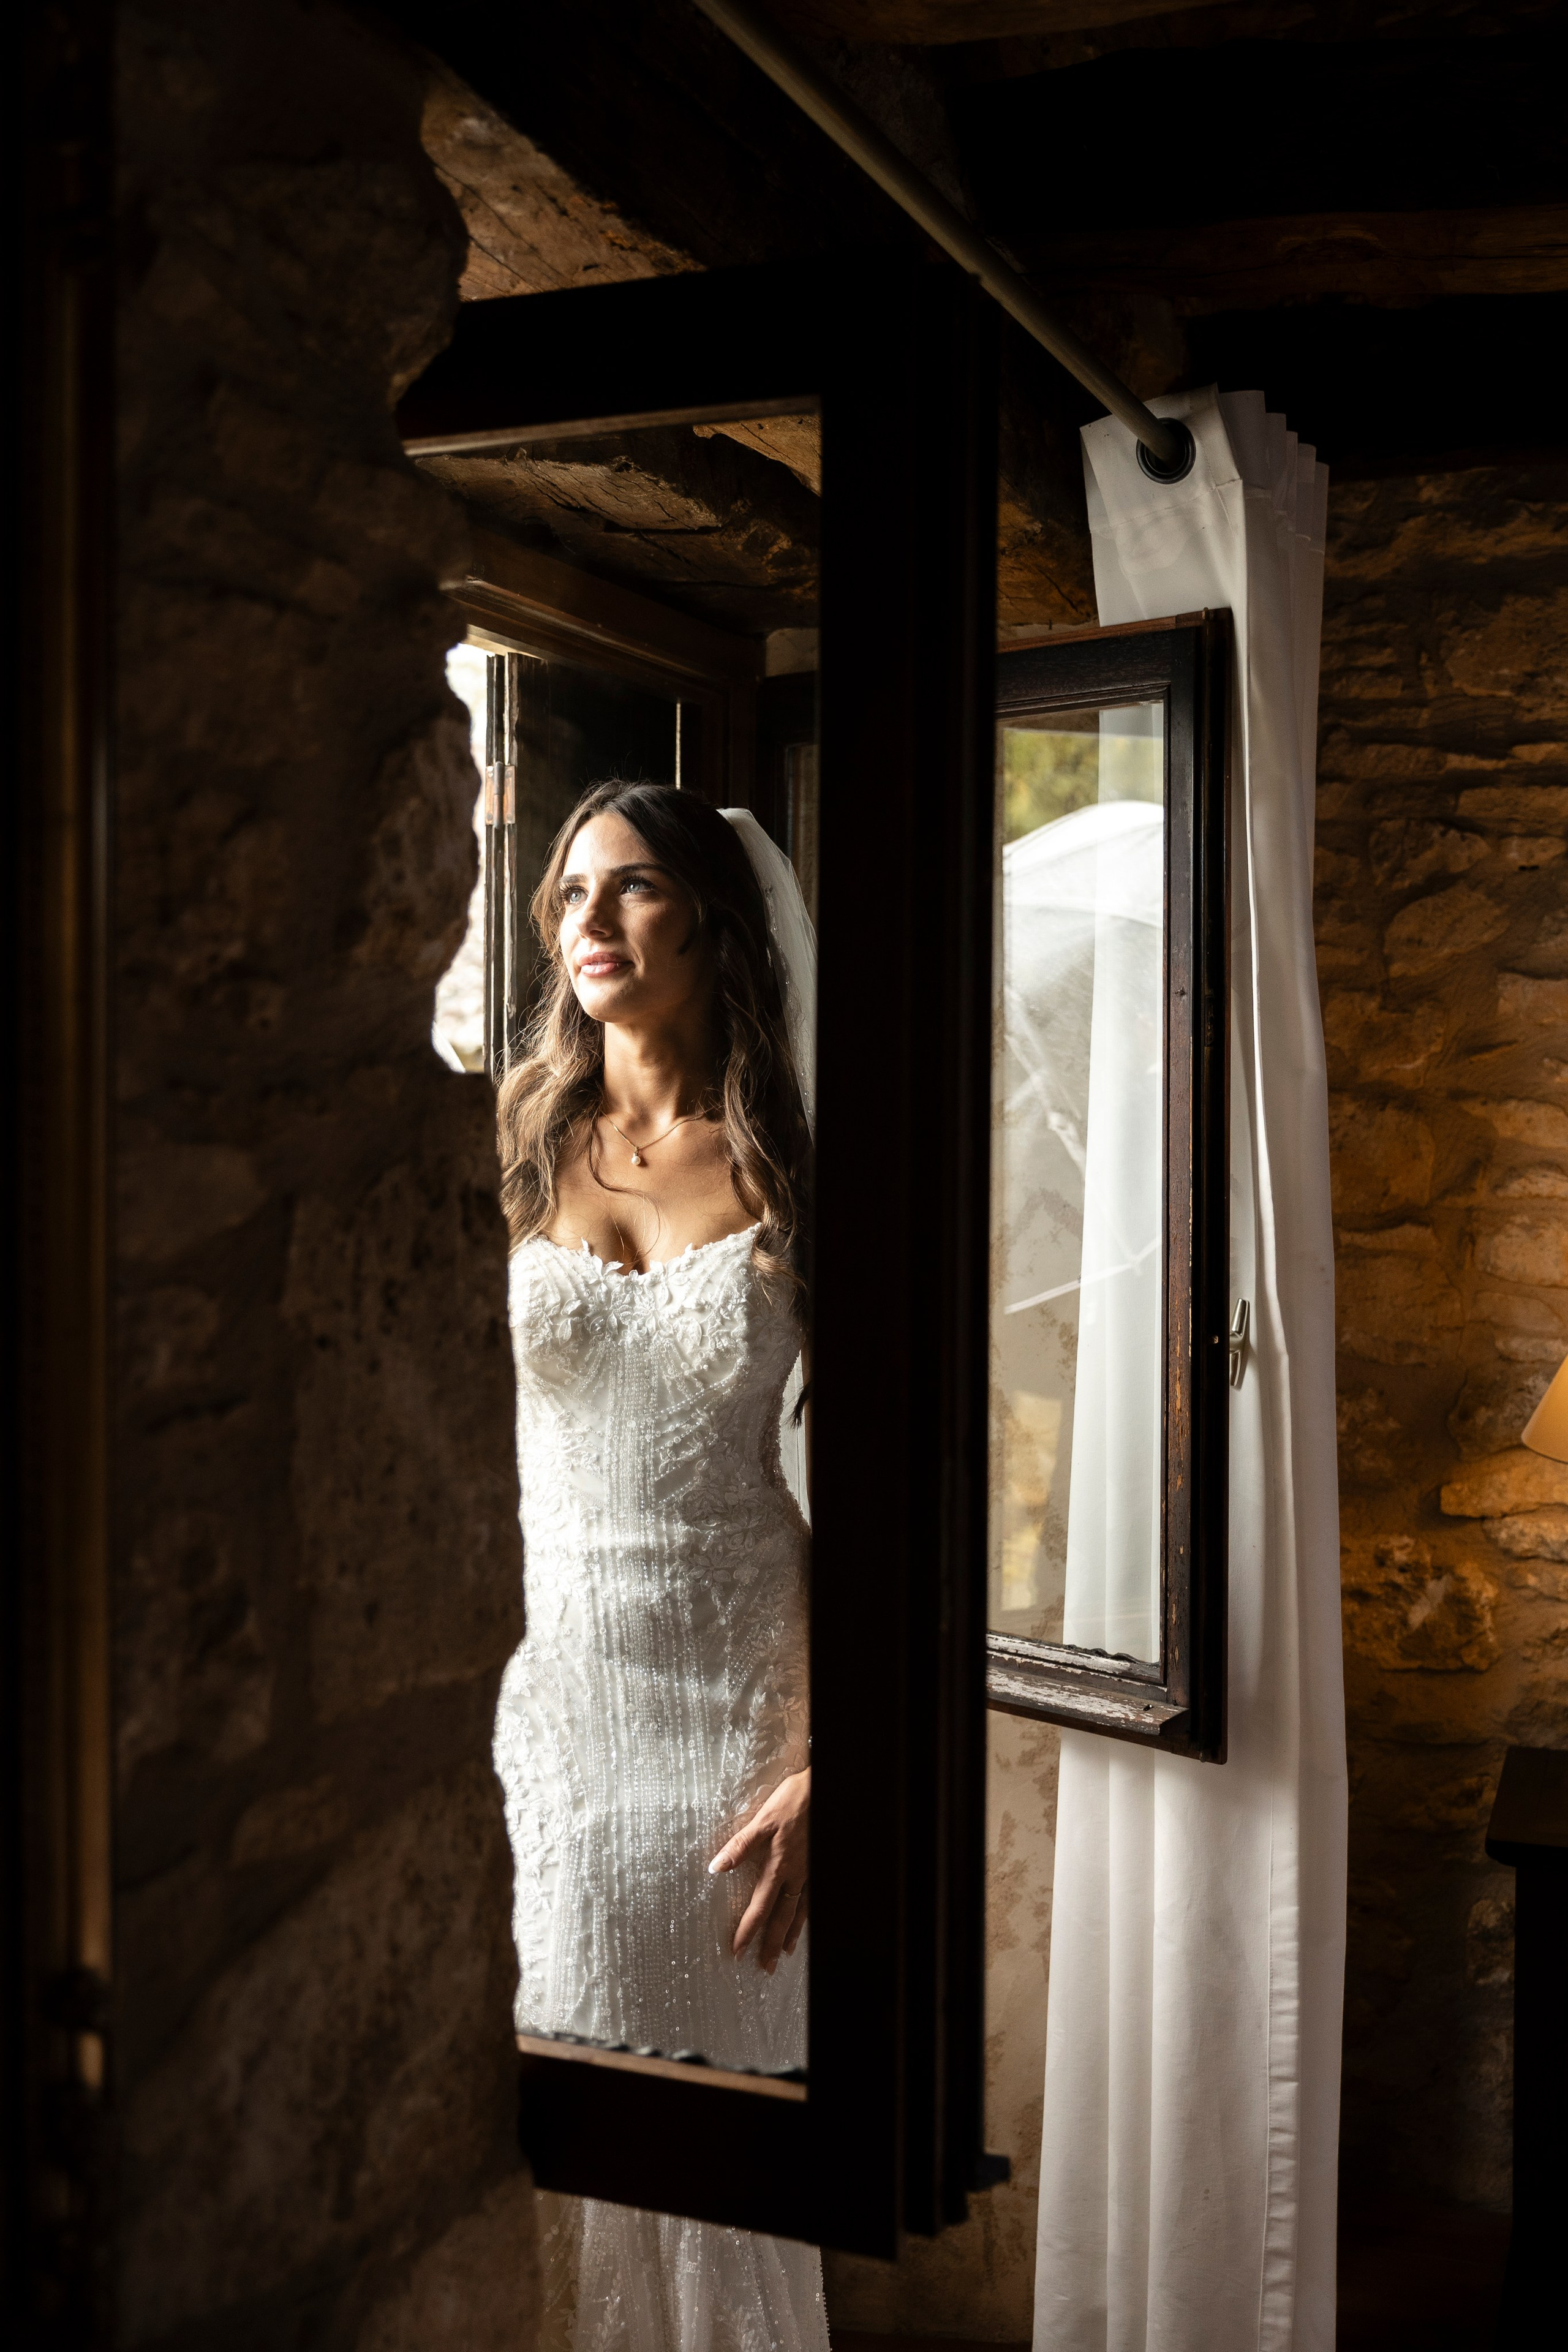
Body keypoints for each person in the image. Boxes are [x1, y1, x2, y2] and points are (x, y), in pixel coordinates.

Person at [491, 782, 827, 2352]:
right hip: (554, 1697)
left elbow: (879, 1489)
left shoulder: (788, 1166)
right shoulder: (511, 1145)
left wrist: (834, 1756)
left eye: (629, 891)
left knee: (721, 2124)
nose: (588, 924)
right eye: (567, 895)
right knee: (554, 2091)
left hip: (736, 1706)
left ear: (708, 913)